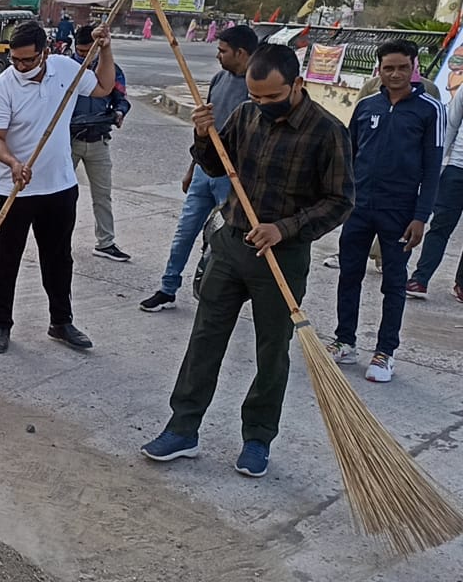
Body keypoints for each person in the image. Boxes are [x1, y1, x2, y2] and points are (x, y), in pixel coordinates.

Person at [141, 44, 354, 478]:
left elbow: (339, 202)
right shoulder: (245, 114)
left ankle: (257, 438)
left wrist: (285, 228)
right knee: (204, 339)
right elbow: (217, 168)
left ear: (298, 84)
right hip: (231, 245)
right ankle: (183, 428)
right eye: (256, 98)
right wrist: (203, 137)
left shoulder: (327, 131)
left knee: (272, 351)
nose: (263, 106)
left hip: (282, 256)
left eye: (272, 98)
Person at [0, 21, 121, 354]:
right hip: (16, 187)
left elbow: (103, 87)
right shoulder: (1, 88)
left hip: (59, 185)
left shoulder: (63, 67)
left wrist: (105, 49)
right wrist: (14, 163)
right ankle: (1, 323)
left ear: (45, 53)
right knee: (7, 259)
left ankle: (61, 321)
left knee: (58, 257)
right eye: (15, 59)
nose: (20, 66)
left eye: (28, 60)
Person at [327, 40, 446, 382]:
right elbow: (349, 156)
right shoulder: (367, 106)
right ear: (378, 69)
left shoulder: (429, 109)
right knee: (349, 274)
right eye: (388, 68)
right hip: (360, 208)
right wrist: (343, 200)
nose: (395, 74)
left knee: (393, 282)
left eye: (402, 68)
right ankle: (344, 341)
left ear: (414, 69)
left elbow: (432, 166)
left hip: (400, 211)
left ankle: (384, 352)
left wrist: (422, 216)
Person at [140, 25, 258, 312]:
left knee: (222, 240)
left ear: (241, 53)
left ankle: (220, 293)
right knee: (185, 231)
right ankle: (168, 288)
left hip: (233, 177)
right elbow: (206, 129)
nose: (217, 56)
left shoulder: (258, 87)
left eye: (222, 51)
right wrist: (192, 168)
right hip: (206, 172)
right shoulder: (220, 78)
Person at [69, 23, 132, 263]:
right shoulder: (67, 68)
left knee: (103, 195)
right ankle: (59, 240)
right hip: (69, 141)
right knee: (63, 195)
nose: (85, 56)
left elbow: (121, 99)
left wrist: (119, 112)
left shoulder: (110, 69)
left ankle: (106, 243)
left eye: (90, 52)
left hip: (99, 140)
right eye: (81, 52)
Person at [407, 84, 463, 303]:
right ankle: (420, 279)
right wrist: (437, 165)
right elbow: (451, 124)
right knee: (440, 226)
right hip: (457, 168)